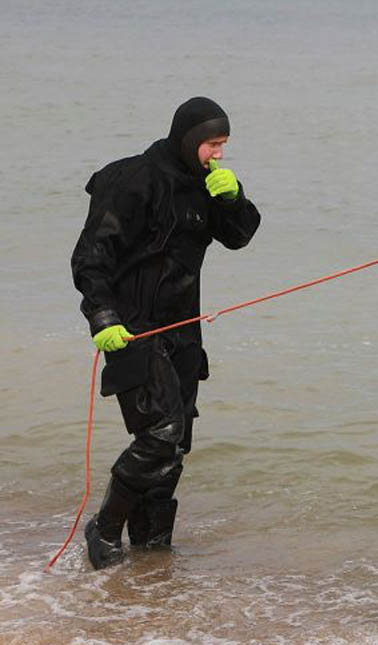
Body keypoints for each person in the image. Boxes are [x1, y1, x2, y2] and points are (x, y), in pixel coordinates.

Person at [70, 97, 261, 570]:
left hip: (183, 331)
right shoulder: (132, 180)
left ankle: (152, 553)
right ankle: (105, 527)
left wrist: (233, 198)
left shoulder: (206, 185)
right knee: (160, 434)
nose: (218, 154)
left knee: (176, 447)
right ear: (188, 139)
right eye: (212, 144)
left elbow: (238, 236)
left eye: (223, 144)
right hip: (131, 330)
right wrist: (102, 318)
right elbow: (90, 258)